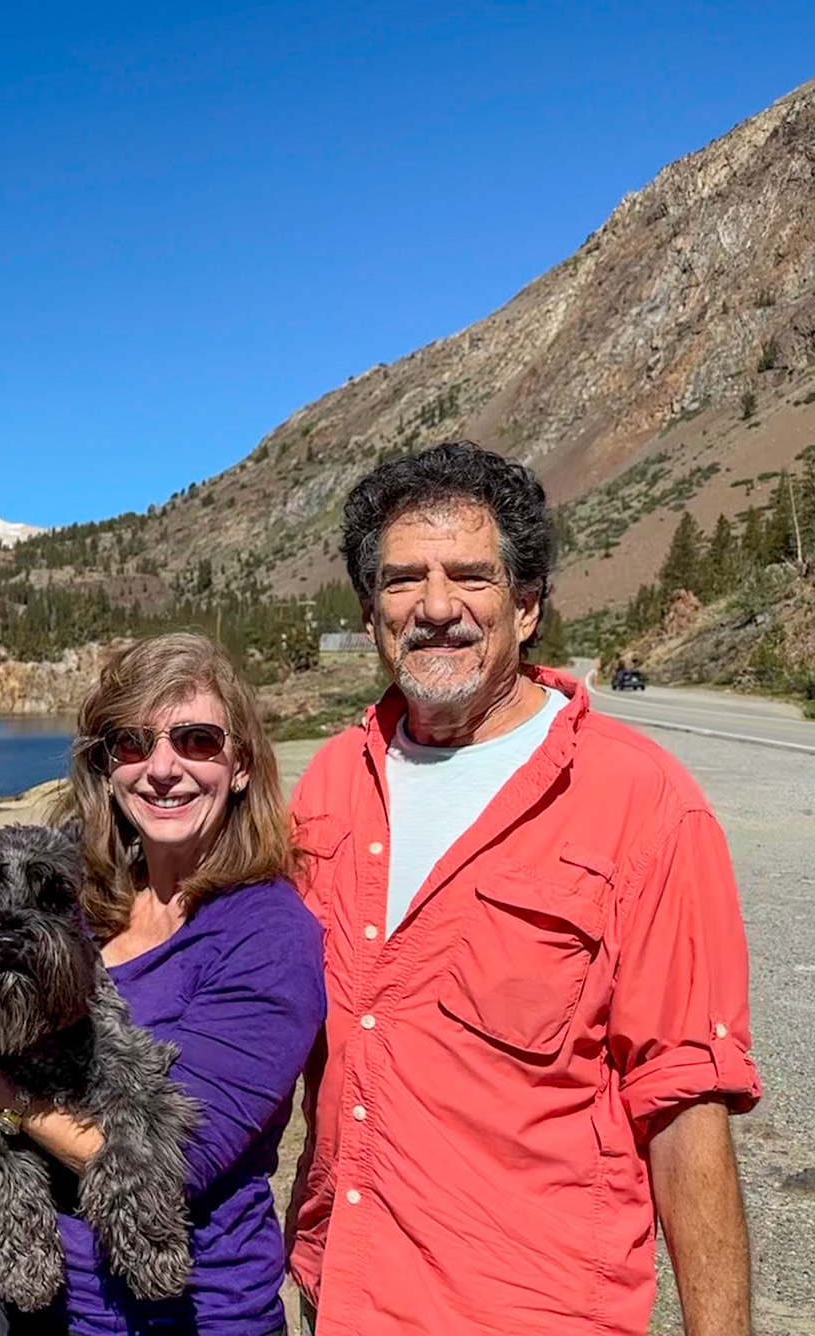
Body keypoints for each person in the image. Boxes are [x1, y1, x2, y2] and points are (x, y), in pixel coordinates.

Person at [288, 441, 762, 1336]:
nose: (435, 608)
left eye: (470, 576)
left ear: (527, 603)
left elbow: (686, 1103)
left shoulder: (643, 802)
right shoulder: (331, 788)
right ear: (369, 609)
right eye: (402, 581)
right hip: (338, 1297)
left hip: (527, 1312)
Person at [0, 633, 327, 1336]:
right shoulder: (80, 908)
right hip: (36, 1304)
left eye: (198, 741)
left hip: (185, 1316)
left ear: (240, 767)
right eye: (133, 744)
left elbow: (172, 1166)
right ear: (107, 767)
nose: (163, 770)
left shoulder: (267, 935)